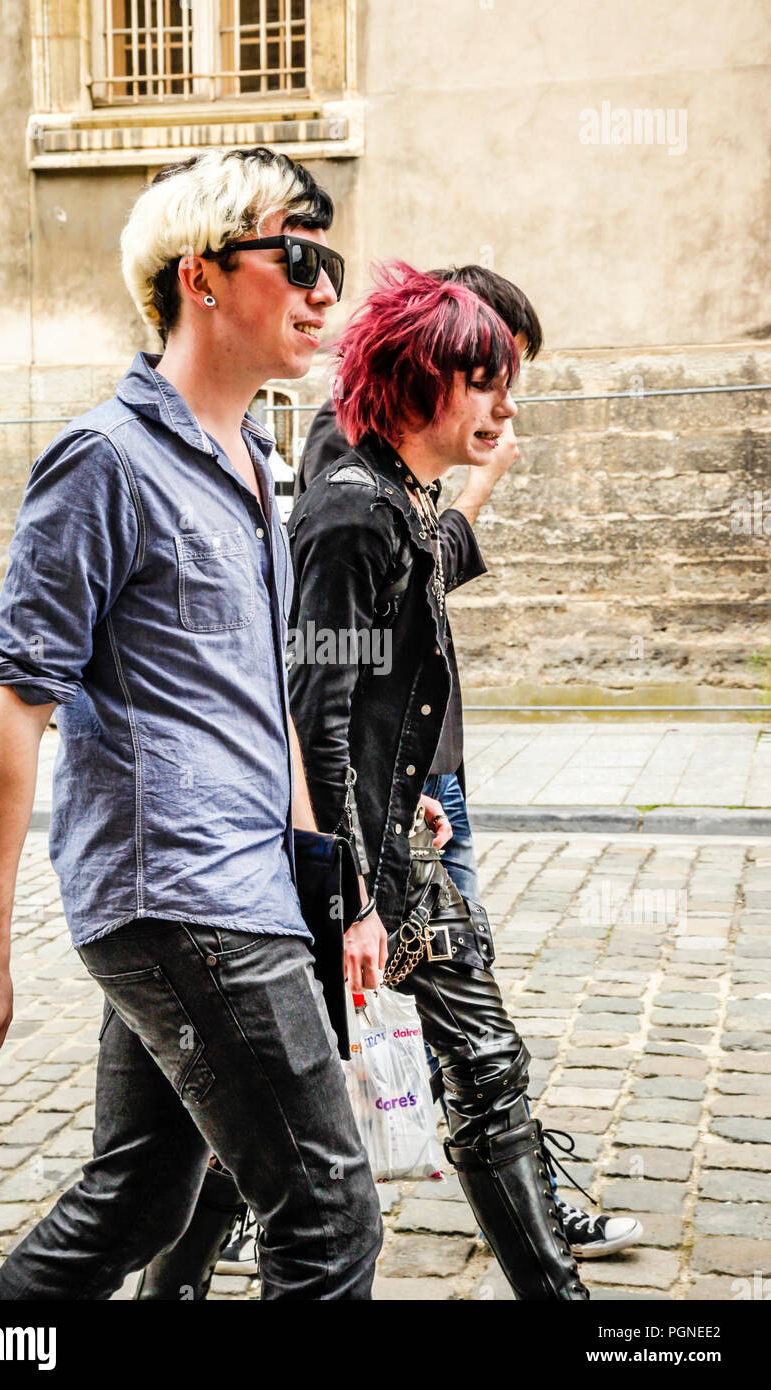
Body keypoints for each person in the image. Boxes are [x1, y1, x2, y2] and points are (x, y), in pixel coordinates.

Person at [0, 146, 383, 1300]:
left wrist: (327, 881)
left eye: (329, 261)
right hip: (180, 896)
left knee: (139, 1196)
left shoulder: (256, 466)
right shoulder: (104, 462)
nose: (325, 289)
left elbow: (260, 701)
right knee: (327, 1219)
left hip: (240, 887)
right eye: (297, 257)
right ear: (199, 275)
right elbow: (14, 703)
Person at [295, 264, 642, 1263]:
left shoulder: (400, 488)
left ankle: (537, 1224)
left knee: (477, 1047)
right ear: (424, 377)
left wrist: (406, 799)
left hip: (402, 801)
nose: (507, 402)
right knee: (288, 1069)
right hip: (355, 828)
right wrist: (356, 888)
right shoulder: (352, 492)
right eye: (490, 376)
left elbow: (389, 636)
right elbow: (321, 703)